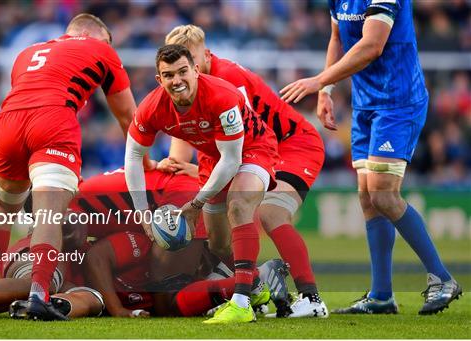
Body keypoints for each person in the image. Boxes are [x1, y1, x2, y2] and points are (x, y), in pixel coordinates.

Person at [280, 0, 461, 315]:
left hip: (398, 101)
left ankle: (442, 278)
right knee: (367, 196)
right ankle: (381, 295)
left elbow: (373, 45)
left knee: (382, 193)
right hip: (366, 105)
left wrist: (317, 81)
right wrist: (327, 91)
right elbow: (337, 38)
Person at [0, 13, 139, 321]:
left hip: (8, 122)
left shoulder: (28, 52)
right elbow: (129, 116)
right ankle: (39, 294)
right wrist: (146, 161)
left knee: (4, 210)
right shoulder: (103, 49)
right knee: (48, 212)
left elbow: (25, 93)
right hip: (52, 121)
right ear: (98, 36)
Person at [163, 24, 328, 318]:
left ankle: (311, 298)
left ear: (206, 56)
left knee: (269, 211)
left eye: (190, 64)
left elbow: (248, 139)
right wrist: (176, 162)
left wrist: (195, 168)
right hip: (237, 151)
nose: (183, 73)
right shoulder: (186, 83)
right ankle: (254, 286)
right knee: (218, 239)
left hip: (290, 144)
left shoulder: (227, 79)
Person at [124, 44, 279, 323]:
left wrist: (196, 203)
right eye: (169, 75)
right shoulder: (151, 107)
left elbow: (232, 160)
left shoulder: (222, 95)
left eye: (183, 71)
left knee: (239, 205)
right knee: (218, 244)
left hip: (253, 148)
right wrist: (142, 213)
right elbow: (134, 156)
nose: (177, 80)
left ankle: (241, 303)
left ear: (196, 70)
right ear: (160, 80)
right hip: (213, 158)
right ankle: (257, 287)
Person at [0, 217, 104, 320]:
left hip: (73, 277)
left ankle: (41, 307)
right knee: (44, 283)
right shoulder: (74, 189)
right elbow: (60, 223)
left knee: (95, 300)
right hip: (43, 249)